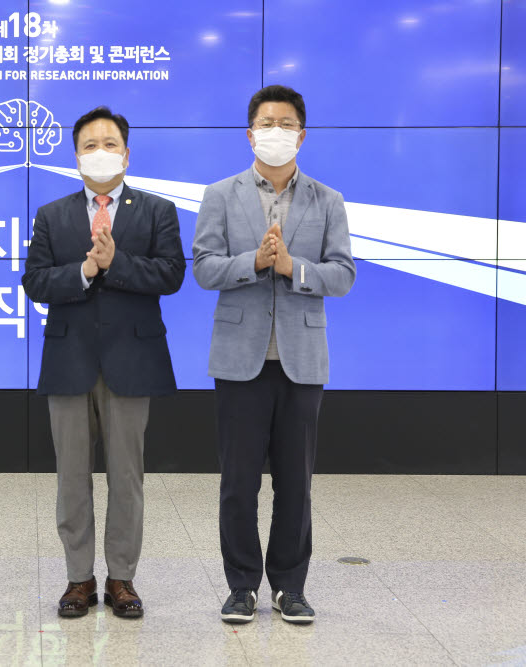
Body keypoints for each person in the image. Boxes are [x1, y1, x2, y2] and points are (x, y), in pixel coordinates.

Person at [192, 85, 356, 625]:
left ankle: (290, 587)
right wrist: (255, 262)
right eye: (267, 123)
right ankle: (241, 586)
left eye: (286, 124)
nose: (276, 132)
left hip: (301, 360)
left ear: (301, 135)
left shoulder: (326, 199)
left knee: (295, 483)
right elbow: (204, 267)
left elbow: (343, 274)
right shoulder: (221, 194)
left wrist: (291, 267)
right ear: (250, 133)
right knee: (238, 483)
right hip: (239, 359)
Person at [22, 107, 186, 619]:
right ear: (76, 156)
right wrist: (86, 269)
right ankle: (78, 578)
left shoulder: (156, 210)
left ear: (127, 153)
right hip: (69, 359)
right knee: (71, 476)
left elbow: (171, 274)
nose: (100, 151)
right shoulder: (53, 214)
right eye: (90, 144)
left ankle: (121, 578)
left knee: (126, 476)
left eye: (109, 143)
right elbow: (35, 282)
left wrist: (117, 264)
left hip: (132, 360)